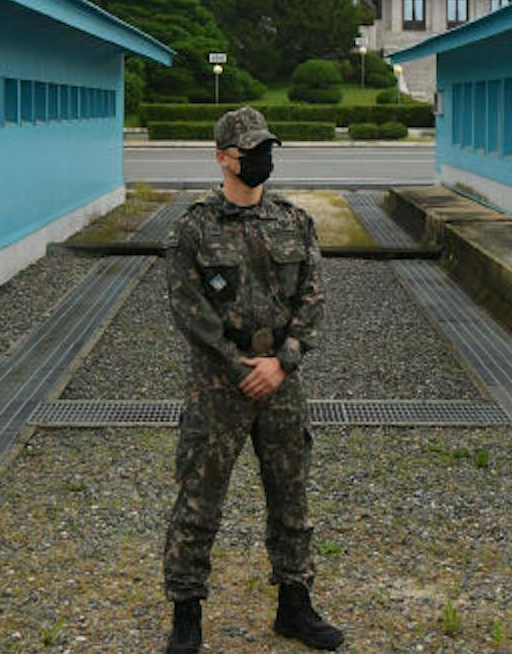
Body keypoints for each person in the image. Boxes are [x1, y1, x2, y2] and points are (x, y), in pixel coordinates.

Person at [161, 108, 344, 653]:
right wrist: (238, 366)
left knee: (291, 496)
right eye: (250, 151)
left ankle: (295, 603)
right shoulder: (193, 229)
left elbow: (312, 295)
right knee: (199, 500)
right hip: (220, 385)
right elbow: (188, 310)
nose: (262, 159)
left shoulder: (293, 221)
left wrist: (282, 361)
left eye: (267, 149)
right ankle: (187, 613)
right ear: (223, 157)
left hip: (280, 382)